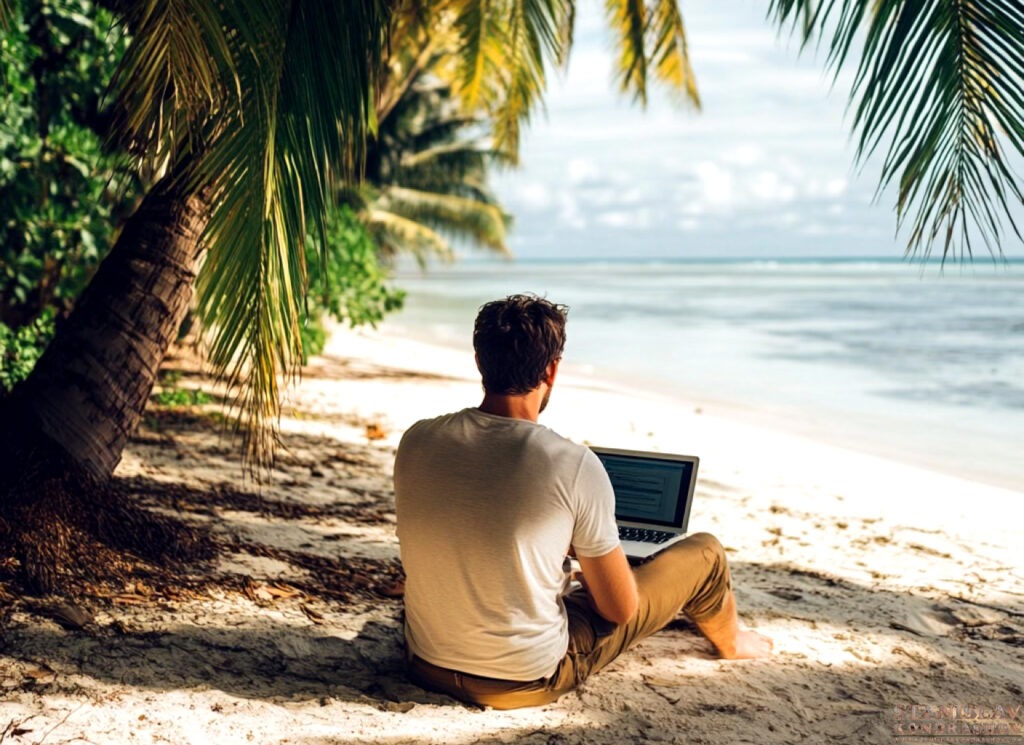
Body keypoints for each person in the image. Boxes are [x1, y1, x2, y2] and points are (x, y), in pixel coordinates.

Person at [393, 294, 772, 710]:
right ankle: (733, 642)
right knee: (706, 553)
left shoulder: (418, 439)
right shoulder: (570, 463)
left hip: (425, 664)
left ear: (481, 361)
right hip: (523, 681)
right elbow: (618, 609)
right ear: (552, 369)